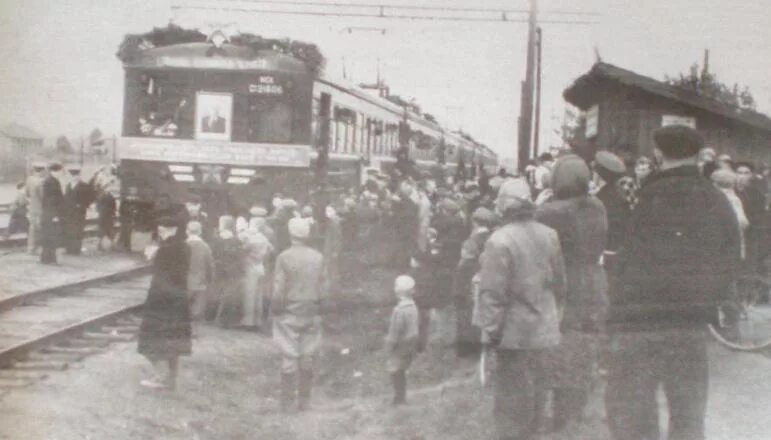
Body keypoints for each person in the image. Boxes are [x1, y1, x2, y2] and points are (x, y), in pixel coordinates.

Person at [605, 125, 740, 440]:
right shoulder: (716, 199)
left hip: (641, 325)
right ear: (697, 156)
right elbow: (731, 257)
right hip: (691, 325)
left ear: (658, 154)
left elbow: (626, 259)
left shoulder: (646, 197)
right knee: (688, 415)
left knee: (635, 414)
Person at [476, 178, 566, 440]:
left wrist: (490, 333)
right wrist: (554, 317)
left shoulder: (499, 240)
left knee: (511, 401)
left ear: (504, 206)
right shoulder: (550, 234)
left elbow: (493, 293)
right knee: (538, 392)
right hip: (545, 330)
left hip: (514, 335)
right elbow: (561, 283)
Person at [535, 154, 608, 432]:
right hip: (593, 280)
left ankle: (560, 415)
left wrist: (539, 204)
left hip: (563, 284)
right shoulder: (597, 206)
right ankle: (576, 408)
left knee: (560, 345)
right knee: (584, 344)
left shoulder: (550, 212)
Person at [271, 217, 328, 411]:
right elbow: (324, 286)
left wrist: (275, 309)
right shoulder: (318, 257)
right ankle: (304, 401)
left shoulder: (284, 257)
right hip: (311, 309)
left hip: (289, 310)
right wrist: (321, 308)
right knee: (308, 355)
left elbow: (279, 288)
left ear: (290, 234)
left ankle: (287, 403)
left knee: (289, 355)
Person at [137, 216, 191, 390]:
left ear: (173, 229)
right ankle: (170, 379)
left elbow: (161, 273)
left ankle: (160, 378)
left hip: (161, 301)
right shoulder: (186, 247)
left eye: (163, 230)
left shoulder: (165, 250)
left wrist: (153, 255)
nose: (161, 233)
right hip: (178, 301)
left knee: (151, 340)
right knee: (173, 342)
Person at [454, 207, 496, 358]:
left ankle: (466, 349)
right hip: (485, 276)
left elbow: (466, 259)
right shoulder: (493, 237)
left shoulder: (472, 240)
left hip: (469, 275)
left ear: (476, 222)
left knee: (466, 312)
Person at [385, 274, 420, 406]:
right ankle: (401, 397)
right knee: (402, 370)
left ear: (397, 291)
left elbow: (395, 331)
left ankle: (398, 398)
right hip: (411, 342)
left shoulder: (399, 310)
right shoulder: (413, 307)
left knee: (394, 370)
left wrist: (389, 345)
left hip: (400, 345)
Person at [240, 217, 273, 329]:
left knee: (249, 295)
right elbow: (271, 250)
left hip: (251, 266)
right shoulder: (264, 238)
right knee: (258, 295)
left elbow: (243, 249)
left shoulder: (251, 238)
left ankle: (248, 321)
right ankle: (258, 321)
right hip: (261, 266)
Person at [213, 216, 246, 326]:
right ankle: (225, 318)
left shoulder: (216, 239)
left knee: (219, 292)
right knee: (229, 293)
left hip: (219, 268)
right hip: (232, 269)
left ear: (222, 225)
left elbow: (213, 254)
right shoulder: (237, 240)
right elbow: (240, 257)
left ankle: (216, 317)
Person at [186, 221, 215, 322]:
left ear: (187, 231)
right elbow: (210, 265)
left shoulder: (183, 245)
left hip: (185, 281)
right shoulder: (205, 246)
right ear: (200, 232)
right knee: (197, 308)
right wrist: (211, 279)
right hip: (200, 281)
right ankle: (194, 330)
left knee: (184, 306)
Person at [62, 166, 93, 255]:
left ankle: (76, 249)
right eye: (72, 175)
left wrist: (83, 205)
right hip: (69, 212)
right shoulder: (68, 185)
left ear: (79, 175)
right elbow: (66, 198)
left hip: (79, 212)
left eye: (76, 175)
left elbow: (90, 197)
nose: (74, 177)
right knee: (69, 229)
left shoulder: (84, 186)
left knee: (78, 230)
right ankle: (69, 249)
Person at [40, 163, 65, 264]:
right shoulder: (52, 182)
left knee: (49, 236)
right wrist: (54, 215)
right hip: (51, 214)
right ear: (55, 171)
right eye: (60, 171)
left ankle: (47, 259)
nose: (61, 173)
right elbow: (51, 200)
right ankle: (48, 259)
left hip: (48, 213)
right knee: (51, 236)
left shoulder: (50, 180)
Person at [25, 162, 46, 254]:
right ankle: (37, 248)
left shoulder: (29, 179)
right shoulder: (41, 182)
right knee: (40, 229)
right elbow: (43, 196)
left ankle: (30, 248)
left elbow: (27, 193)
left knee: (32, 229)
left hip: (32, 207)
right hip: (40, 208)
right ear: (42, 171)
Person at [96, 186, 117, 251]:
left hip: (109, 216)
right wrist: (101, 211)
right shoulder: (101, 196)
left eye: (108, 189)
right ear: (104, 189)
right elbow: (97, 206)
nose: (107, 190)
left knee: (110, 230)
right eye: (106, 189)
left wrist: (112, 213)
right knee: (101, 230)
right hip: (102, 216)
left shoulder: (111, 197)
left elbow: (114, 206)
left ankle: (112, 245)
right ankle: (99, 245)